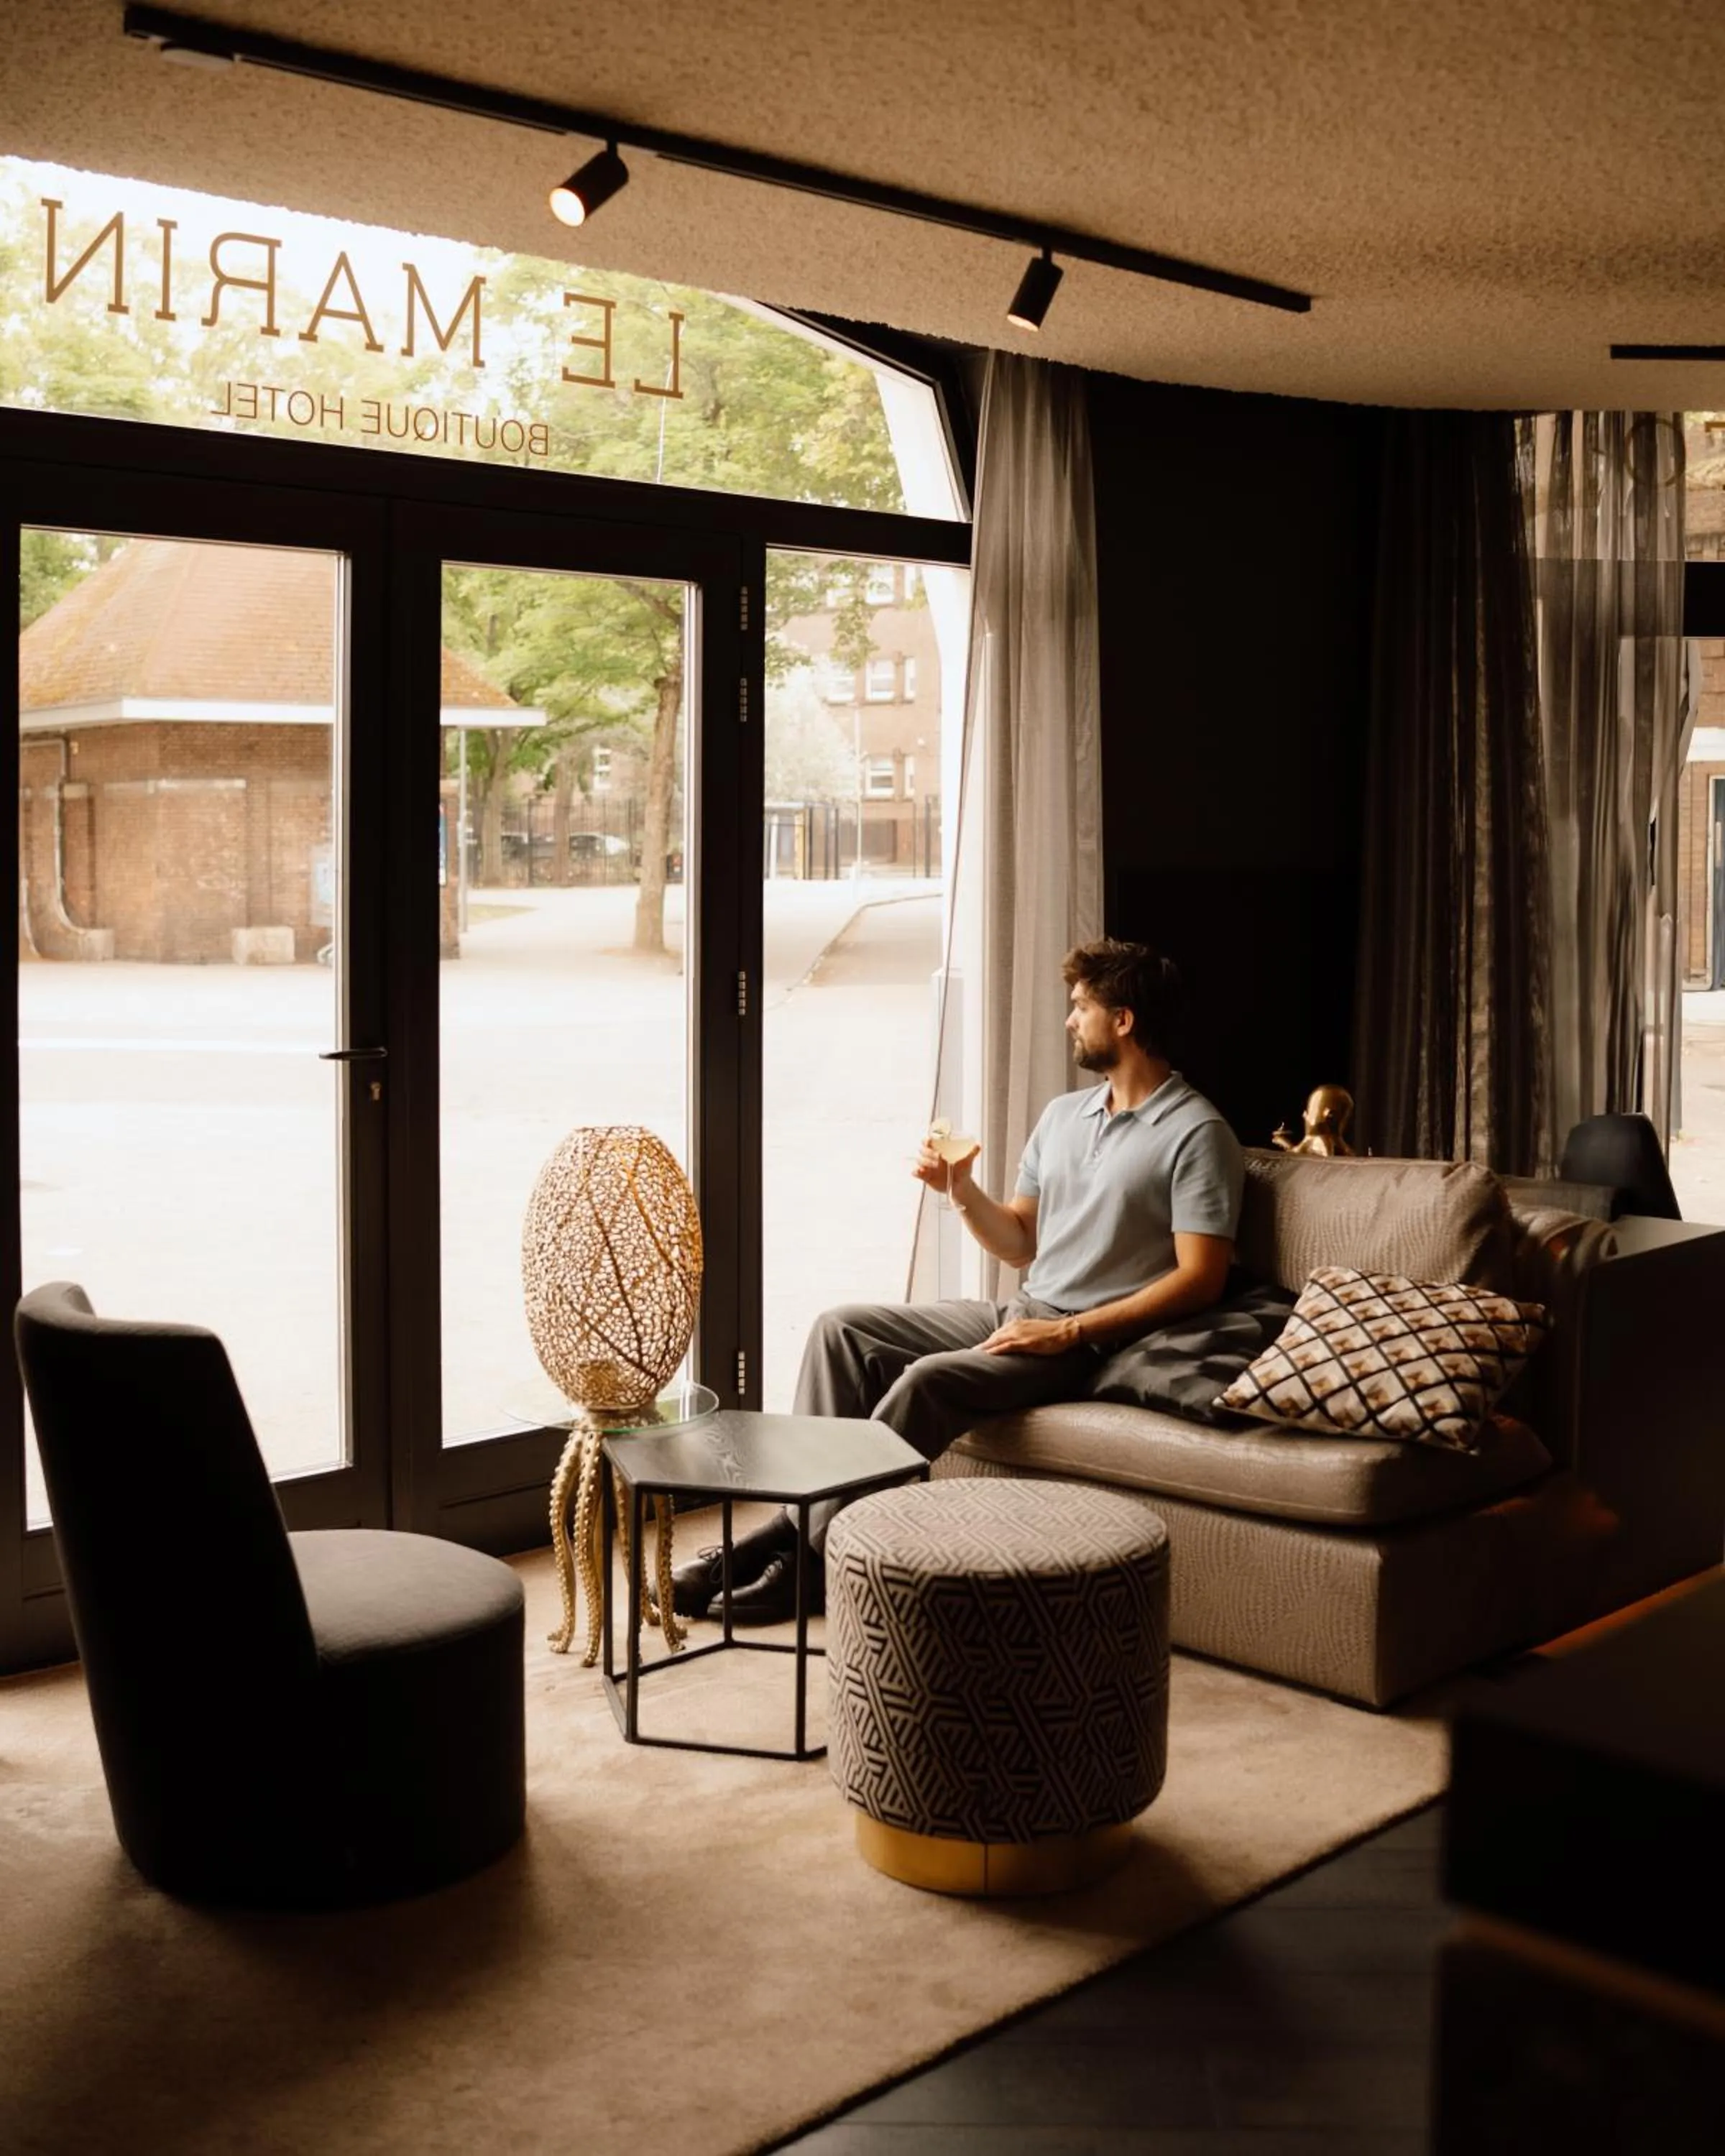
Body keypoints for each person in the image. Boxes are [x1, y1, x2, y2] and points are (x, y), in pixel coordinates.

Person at [668, 937, 1244, 1624]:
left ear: (1123, 1020)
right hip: (1024, 1309)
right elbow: (1021, 1240)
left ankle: (804, 1560)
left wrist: (1068, 1331)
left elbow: (1202, 1278)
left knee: (925, 1382)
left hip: (1086, 1345)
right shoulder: (1065, 1116)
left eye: (1080, 1007)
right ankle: (798, 1537)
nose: (1069, 1020)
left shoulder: (1197, 1133)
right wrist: (961, 1189)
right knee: (840, 1330)